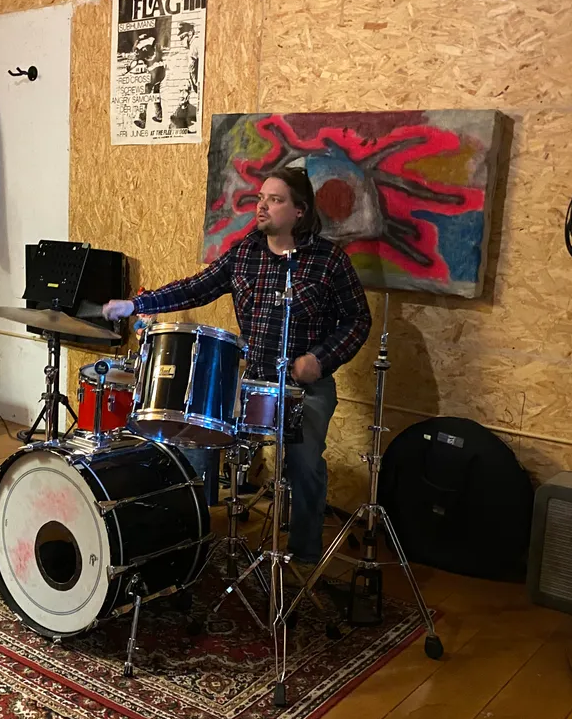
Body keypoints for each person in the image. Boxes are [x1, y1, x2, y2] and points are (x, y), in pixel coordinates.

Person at [102, 167, 372, 566]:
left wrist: (321, 358)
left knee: (304, 464)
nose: (262, 206)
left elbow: (358, 320)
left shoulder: (329, 261)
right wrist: (136, 304)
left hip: (303, 388)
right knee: (194, 436)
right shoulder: (245, 252)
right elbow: (196, 287)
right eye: (261, 197)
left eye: (275, 200)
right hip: (251, 380)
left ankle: (304, 555)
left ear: (299, 211)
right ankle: (193, 536)